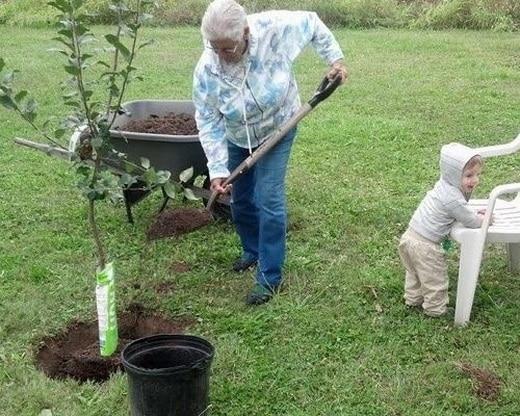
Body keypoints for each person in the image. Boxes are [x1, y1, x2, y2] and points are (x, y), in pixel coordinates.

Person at [192, 0, 348, 305]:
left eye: (228, 48)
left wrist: (335, 60)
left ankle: (269, 276)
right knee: (242, 200)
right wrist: (218, 168)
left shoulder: (273, 28)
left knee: (269, 197)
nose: (221, 56)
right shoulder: (207, 69)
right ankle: (252, 250)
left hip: (279, 127)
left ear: (246, 33)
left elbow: (312, 22)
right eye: (215, 48)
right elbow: (208, 119)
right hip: (237, 136)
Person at [398, 143, 488, 317]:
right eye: (469, 175)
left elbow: (460, 211)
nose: (475, 179)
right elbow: (471, 221)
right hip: (426, 246)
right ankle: (435, 310)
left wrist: (472, 212)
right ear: (453, 175)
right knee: (434, 279)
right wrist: (485, 218)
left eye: (477, 174)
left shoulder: (443, 185)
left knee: (415, 273)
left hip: (410, 237)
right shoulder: (453, 197)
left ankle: (413, 299)